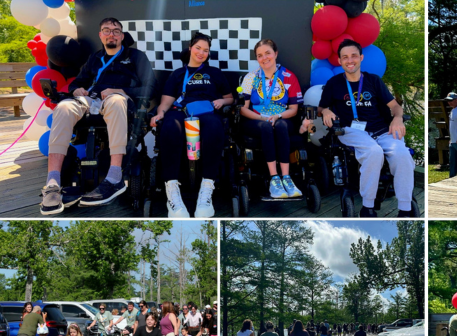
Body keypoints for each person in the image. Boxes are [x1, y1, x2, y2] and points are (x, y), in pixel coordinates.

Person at [41, 17, 157, 214]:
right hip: (90, 100)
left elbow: (151, 88)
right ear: (100, 35)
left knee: (116, 100)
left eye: (116, 31)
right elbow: (77, 82)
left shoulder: (136, 57)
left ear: (122, 35)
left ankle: (114, 178)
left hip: (119, 100)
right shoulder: (95, 58)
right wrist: (77, 89)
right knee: (63, 107)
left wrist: (119, 90)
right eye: (107, 30)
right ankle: (52, 183)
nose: (111, 34)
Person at [319, 40, 413, 217]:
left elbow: (395, 106)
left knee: (402, 154)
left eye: (354, 55)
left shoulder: (374, 80)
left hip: (381, 130)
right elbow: (320, 107)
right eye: (345, 57)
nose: (350, 60)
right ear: (339, 61)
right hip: (351, 131)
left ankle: (405, 208)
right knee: (374, 152)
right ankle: (367, 207)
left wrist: (398, 118)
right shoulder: (334, 83)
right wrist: (325, 111)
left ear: (361, 58)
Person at [150, 33, 233, 217]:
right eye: (198, 48)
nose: (201, 53)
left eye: (205, 50)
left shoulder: (215, 73)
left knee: (213, 125)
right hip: (181, 112)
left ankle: (207, 189)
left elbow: (230, 98)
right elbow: (165, 101)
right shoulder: (178, 74)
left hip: (207, 112)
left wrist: (222, 101)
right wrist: (160, 113)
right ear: (190, 48)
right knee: (170, 125)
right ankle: (171, 191)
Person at [239, 39, 304, 199]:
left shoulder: (288, 76)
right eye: (260, 55)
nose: (264, 58)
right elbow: (242, 108)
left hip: (282, 117)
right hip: (256, 119)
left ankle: (286, 178)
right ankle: (274, 179)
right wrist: (262, 118)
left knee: (281, 126)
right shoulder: (250, 77)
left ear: (275, 54)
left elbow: (294, 109)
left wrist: (277, 116)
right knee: (266, 127)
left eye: (268, 53)